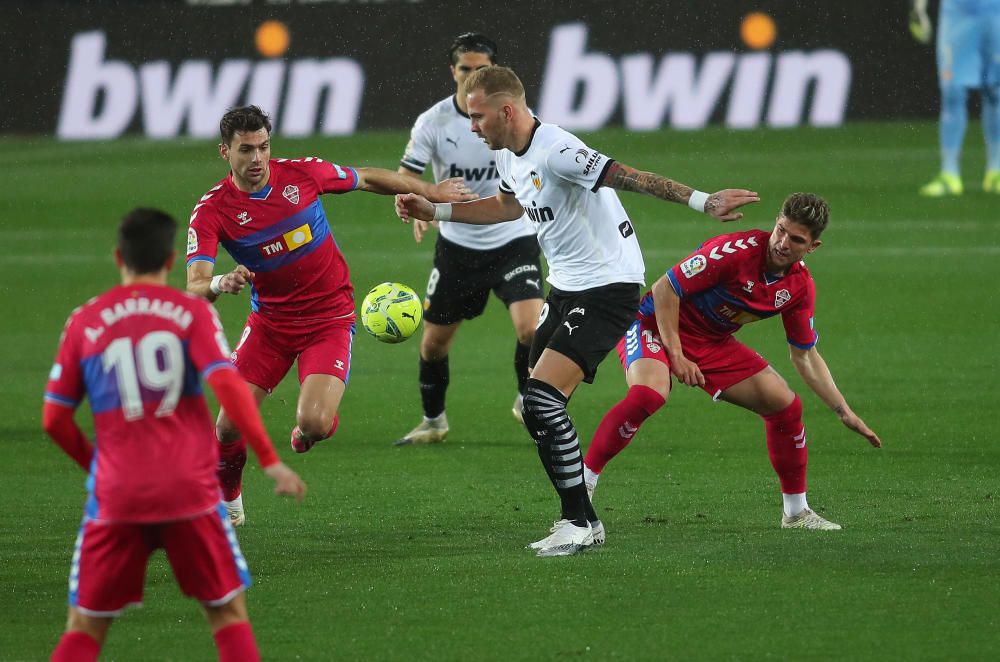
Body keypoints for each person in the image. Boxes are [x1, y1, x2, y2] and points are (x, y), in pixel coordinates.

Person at [395, 65, 759, 556]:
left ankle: (577, 522)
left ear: (506, 110)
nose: (472, 127)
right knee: (535, 408)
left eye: (478, 117)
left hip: (608, 286)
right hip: (566, 285)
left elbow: (631, 177)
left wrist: (702, 200)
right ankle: (582, 518)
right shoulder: (507, 154)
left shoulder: (558, 150)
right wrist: (433, 210)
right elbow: (507, 208)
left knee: (543, 400)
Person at [186, 105, 476, 526]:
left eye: (263, 147)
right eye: (245, 150)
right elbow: (195, 286)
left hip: (329, 319)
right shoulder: (213, 210)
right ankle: (229, 498)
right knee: (229, 426)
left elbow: (368, 177)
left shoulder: (302, 175)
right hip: (270, 325)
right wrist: (219, 284)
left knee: (316, 424)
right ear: (224, 152)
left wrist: (430, 191)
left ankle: (306, 432)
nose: (257, 159)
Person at [43, 208, 306, 662]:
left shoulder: (85, 322)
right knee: (227, 615)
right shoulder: (189, 313)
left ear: (116, 256)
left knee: (86, 625)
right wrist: (269, 459)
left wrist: (98, 467)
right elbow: (229, 387)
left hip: (118, 493)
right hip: (189, 491)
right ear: (169, 260)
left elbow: (54, 420)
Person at [582, 193, 882, 530]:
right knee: (650, 394)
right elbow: (666, 288)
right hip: (654, 321)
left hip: (711, 342)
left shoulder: (798, 287)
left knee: (785, 406)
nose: (783, 243)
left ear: (812, 247)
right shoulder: (734, 252)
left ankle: (796, 513)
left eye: (796, 239)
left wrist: (843, 411)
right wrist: (677, 355)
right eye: (780, 230)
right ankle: (582, 486)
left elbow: (805, 354)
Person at [395, 33, 543, 446]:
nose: (471, 76)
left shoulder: (516, 116)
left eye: (480, 69)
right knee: (434, 344)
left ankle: (528, 401)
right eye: (465, 69)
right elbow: (407, 175)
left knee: (532, 329)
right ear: (453, 72)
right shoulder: (434, 122)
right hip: (459, 245)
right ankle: (433, 420)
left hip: (514, 236)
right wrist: (420, 199)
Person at [910, 0, 1000, 195]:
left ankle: (996, 170)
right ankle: (949, 173)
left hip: (996, 12)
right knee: (953, 92)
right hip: (957, 14)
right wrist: (919, 7)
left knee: (995, 91)